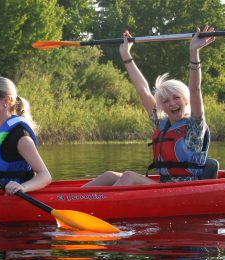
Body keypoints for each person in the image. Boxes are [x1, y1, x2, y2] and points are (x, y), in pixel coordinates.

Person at [84, 26, 216, 187]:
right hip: (163, 185)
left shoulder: (195, 125)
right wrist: (125, 54)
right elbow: (143, 90)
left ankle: (100, 208)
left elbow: (195, 88)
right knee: (109, 176)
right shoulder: (161, 122)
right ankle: (72, 201)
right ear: (162, 106)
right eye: (166, 101)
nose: (172, 103)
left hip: (184, 188)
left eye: (176, 98)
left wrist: (194, 51)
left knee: (129, 177)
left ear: (186, 100)